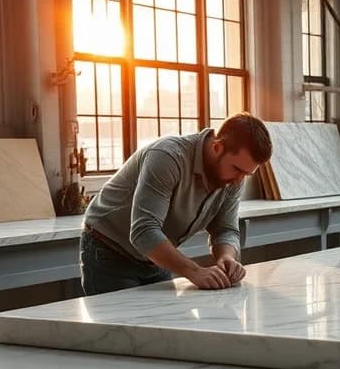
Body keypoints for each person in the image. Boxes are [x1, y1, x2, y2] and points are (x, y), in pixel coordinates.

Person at [79, 113, 273, 296]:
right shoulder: (167, 156)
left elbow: (225, 229)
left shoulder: (232, 178)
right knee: (124, 322)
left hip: (154, 256)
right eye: (237, 169)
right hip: (108, 250)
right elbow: (144, 231)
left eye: (246, 174)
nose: (239, 180)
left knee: (166, 321)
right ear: (217, 148)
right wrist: (194, 271)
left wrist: (227, 258)